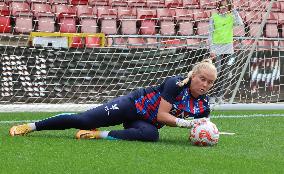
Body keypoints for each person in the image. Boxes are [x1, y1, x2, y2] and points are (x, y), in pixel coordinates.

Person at [10, 59, 217, 142]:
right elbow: (163, 115)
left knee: (151, 135)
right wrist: (186, 122)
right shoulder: (176, 83)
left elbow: (202, 125)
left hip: (145, 121)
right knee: (83, 120)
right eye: (202, 79)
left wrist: (204, 130)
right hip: (131, 106)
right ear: (193, 75)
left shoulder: (204, 104)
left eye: (210, 82)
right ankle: (31, 126)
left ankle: (99, 135)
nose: (205, 85)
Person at [209, 0, 244, 103]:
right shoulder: (213, 17)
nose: (223, 8)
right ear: (218, 7)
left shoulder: (231, 17)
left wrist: (234, 11)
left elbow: (240, 23)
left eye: (226, 6)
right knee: (216, 71)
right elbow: (210, 34)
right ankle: (211, 96)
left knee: (224, 74)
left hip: (228, 48)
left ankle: (219, 96)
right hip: (216, 48)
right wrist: (212, 49)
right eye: (222, 6)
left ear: (229, 8)